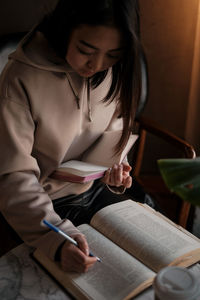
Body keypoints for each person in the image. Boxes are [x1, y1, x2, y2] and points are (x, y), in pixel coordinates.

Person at [0, 0, 154, 273]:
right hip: (45, 204)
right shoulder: (19, 78)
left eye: (113, 54)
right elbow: (13, 176)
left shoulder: (114, 69)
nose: (97, 65)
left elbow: (115, 125)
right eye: (86, 50)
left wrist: (115, 167)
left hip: (97, 189)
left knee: (154, 256)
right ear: (65, 28)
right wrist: (55, 239)